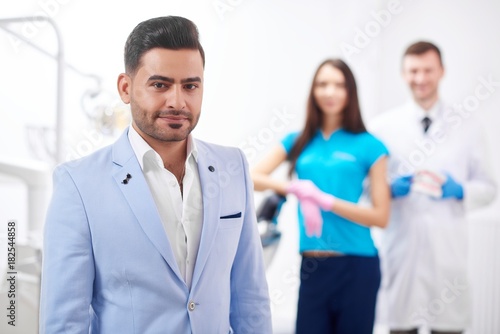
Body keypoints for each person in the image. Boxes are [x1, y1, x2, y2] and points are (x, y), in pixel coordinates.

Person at [39, 16, 272, 334]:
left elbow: (251, 298)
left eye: (190, 85)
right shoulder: (78, 184)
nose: (177, 101)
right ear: (125, 87)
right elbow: (66, 321)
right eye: (160, 85)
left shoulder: (233, 168)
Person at [251, 58, 391, 334]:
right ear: (313, 91)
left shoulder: (370, 146)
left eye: (339, 85)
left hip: (357, 265)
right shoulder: (299, 140)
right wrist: (294, 188)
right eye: (323, 84)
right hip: (313, 264)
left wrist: (325, 200)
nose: (330, 92)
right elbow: (253, 177)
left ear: (350, 92)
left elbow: (381, 216)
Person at [369, 41, 497, 334]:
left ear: (441, 71)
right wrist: (386, 190)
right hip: (401, 250)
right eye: (413, 71)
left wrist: (461, 190)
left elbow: (488, 187)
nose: (421, 78)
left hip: (447, 252)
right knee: (402, 326)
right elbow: (366, 190)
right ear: (403, 74)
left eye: (428, 70)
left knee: (447, 326)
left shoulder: (468, 126)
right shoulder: (382, 127)